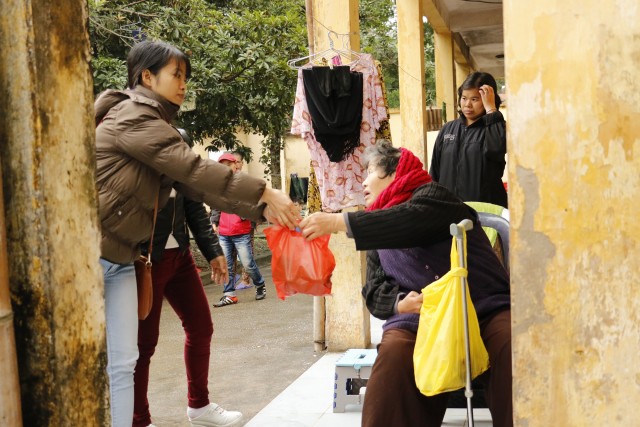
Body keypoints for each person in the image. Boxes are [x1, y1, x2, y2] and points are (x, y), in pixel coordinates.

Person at [94, 40, 298, 427]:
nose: (184, 84)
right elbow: (194, 171)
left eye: (185, 76)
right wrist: (265, 192)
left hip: (129, 257)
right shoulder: (133, 117)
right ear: (147, 76)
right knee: (130, 355)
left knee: (126, 361)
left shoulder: (160, 124)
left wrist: (262, 210)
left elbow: (195, 191)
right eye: (176, 75)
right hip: (110, 256)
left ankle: (195, 406)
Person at [300, 140, 512, 427]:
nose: (363, 183)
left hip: (481, 308)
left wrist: (341, 223)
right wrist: (400, 303)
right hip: (419, 319)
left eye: (370, 172)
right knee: (395, 356)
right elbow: (374, 292)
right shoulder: (377, 228)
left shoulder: (433, 197)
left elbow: (410, 221)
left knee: (512, 344)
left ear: (393, 173)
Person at [133, 130, 241, 427]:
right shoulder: (138, 166)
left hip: (180, 258)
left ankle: (199, 406)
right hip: (147, 262)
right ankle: (139, 420)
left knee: (201, 327)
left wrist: (214, 252)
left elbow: (195, 211)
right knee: (144, 344)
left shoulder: (183, 172)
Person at [429, 71, 508, 208]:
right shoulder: (448, 129)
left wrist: (491, 110)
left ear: (487, 99)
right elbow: (435, 171)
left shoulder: (495, 128)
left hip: (484, 212)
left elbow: (497, 149)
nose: (467, 105)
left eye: (475, 99)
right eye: (464, 98)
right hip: (449, 209)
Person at [210, 153, 267, 307]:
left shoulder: (243, 182)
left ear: (236, 165)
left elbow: (253, 202)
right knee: (227, 265)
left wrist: (250, 218)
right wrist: (214, 221)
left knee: (248, 264)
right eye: (223, 165)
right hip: (224, 233)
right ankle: (229, 294)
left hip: (241, 231)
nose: (226, 168)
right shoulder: (219, 185)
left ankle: (260, 284)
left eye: (229, 164)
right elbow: (215, 205)